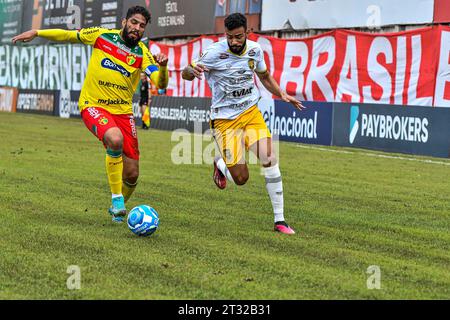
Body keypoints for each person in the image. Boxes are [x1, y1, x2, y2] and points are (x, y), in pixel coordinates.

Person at [12, 6, 169, 223]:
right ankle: (117, 200)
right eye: (133, 22)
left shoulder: (143, 53)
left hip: (123, 113)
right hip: (93, 105)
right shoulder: (102, 36)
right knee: (115, 139)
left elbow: (160, 84)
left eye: (142, 26)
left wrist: (163, 68)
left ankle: (117, 211)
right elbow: (68, 35)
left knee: (132, 174)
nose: (137, 28)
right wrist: (37, 32)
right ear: (124, 22)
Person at [182, 13, 304, 235]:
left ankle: (280, 220)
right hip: (224, 121)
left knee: (269, 157)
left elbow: (264, 76)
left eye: (238, 37)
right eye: (230, 37)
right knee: (241, 178)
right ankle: (220, 164)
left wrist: (282, 94)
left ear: (247, 33)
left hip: (250, 113)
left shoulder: (256, 50)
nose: (234, 42)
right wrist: (191, 71)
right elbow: (186, 74)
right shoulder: (212, 53)